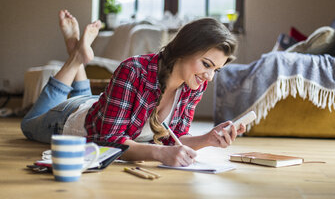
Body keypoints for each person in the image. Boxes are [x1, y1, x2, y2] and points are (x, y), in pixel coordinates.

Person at [21, 10, 246, 167]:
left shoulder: (194, 84)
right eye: (207, 64)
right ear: (184, 49)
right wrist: (159, 154)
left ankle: (76, 52)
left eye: (216, 70)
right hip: (70, 120)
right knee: (28, 125)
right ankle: (75, 59)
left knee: (89, 101)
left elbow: (170, 141)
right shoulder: (134, 70)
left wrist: (208, 139)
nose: (209, 76)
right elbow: (107, 141)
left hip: (99, 107)